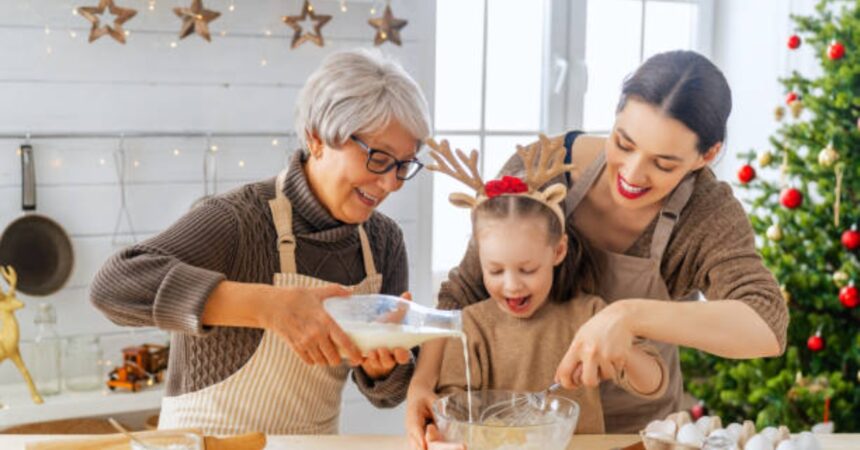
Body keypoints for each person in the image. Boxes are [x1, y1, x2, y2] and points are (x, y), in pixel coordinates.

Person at [407, 50, 788, 448]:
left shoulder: (706, 213)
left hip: (638, 435)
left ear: (707, 155)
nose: (632, 174)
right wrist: (422, 385)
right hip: (523, 432)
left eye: (663, 164)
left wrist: (629, 316)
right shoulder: (545, 167)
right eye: (623, 143)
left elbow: (766, 325)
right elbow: (463, 293)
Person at [90, 48, 431, 435]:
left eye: (405, 164)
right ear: (317, 138)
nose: (391, 183)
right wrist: (269, 306)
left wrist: (382, 367)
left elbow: (386, 395)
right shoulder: (238, 220)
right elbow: (112, 286)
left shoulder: (383, 242)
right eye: (380, 158)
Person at [428, 137, 668, 438]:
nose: (512, 285)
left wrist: (623, 354)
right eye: (496, 270)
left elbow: (654, 383)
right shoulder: (472, 327)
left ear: (558, 251)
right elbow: (452, 406)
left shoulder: (589, 316)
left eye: (527, 269)